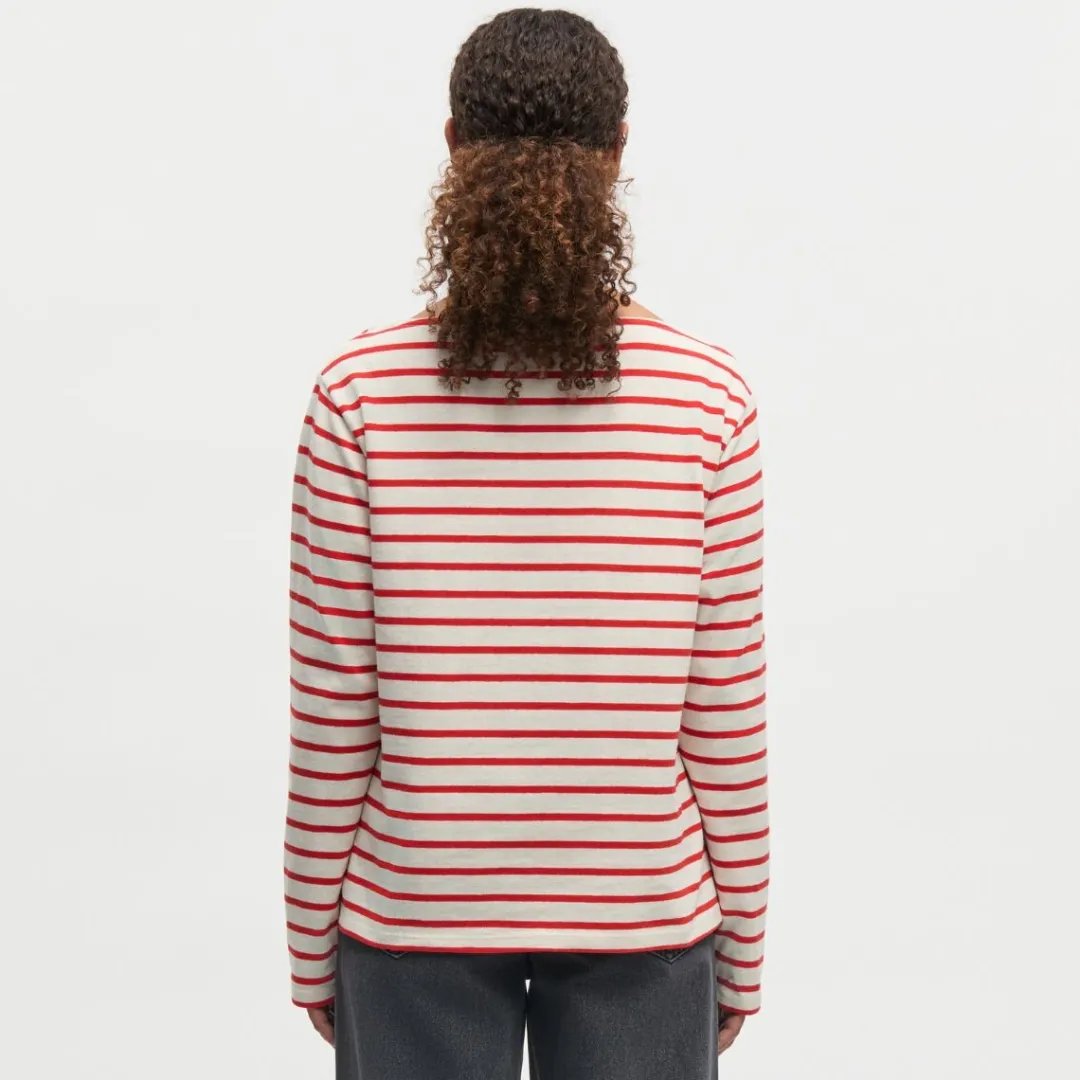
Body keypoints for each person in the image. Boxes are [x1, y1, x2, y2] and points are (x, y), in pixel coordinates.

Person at [283, 9, 768, 1078]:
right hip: (646, 915)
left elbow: (333, 707)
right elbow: (724, 708)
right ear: (620, 151)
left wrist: (311, 936)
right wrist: (744, 940)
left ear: (453, 144)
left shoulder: (358, 394)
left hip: (411, 916)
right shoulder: (709, 400)